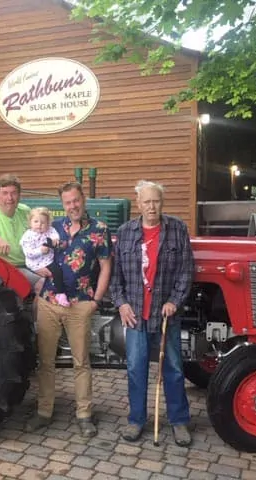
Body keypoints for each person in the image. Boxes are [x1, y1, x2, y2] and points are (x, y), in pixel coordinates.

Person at [110, 179, 195, 447]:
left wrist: (175, 301)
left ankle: (179, 421)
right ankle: (136, 420)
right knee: (136, 369)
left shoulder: (177, 229)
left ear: (162, 203)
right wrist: (122, 304)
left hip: (166, 314)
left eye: (156, 201)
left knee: (173, 369)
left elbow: (186, 271)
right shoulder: (125, 232)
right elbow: (116, 278)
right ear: (138, 204)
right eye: (146, 201)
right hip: (136, 314)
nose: (151, 206)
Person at [26, 181, 112, 438]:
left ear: (83, 199)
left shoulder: (99, 230)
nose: (72, 206)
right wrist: (35, 273)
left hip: (80, 305)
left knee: (81, 362)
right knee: (46, 362)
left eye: (76, 200)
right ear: (62, 205)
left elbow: (106, 266)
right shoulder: (53, 229)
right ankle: (44, 411)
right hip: (49, 302)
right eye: (67, 202)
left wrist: (95, 301)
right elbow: (32, 254)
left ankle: (84, 414)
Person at [20, 207, 70, 307]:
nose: (39, 225)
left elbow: (55, 235)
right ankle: (59, 294)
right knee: (51, 275)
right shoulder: (27, 236)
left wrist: (55, 240)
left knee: (59, 271)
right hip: (35, 263)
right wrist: (40, 251)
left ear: (48, 223)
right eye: (36, 221)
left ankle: (61, 295)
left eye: (43, 222)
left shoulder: (50, 230)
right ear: (30, 223)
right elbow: (28, 253)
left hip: (47, 260)